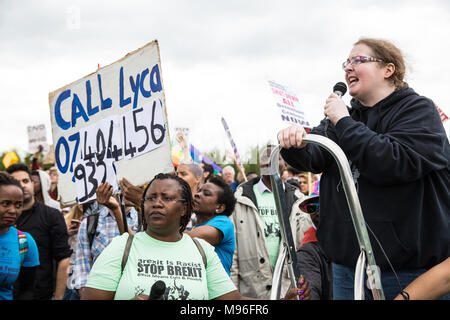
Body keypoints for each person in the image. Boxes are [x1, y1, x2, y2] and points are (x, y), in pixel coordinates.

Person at [277, 37, 450, 300]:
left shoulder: (418, 110)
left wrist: (343, 121)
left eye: (358, 60)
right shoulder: (343, 118)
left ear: (388, 69)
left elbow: (393, 161)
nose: (348, 68)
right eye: (346, 62)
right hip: (348, 268)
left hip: (409, 272)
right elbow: (315, 157)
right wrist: (296, 144)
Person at [80, 173, 309, 300]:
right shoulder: (122, 247)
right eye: (150, 198)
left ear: (184, 209)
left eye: (166, 198)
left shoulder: (202, 251)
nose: (156, 203)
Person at [230, 145, 312, 299]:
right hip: (251, 290)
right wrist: (233, 293)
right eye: (264, 158)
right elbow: (233, 249)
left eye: (276, 157)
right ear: (260, 165)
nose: (268, 160)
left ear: (285, 164)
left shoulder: (298, 200)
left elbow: (304, 247)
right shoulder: (240, 198)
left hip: (287, 287)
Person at [6, 163, 72, 300]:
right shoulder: (3, 218)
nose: (22, 185)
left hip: (41, 294)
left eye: (25, 181)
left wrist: (59, 297)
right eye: (16, 182)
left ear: (32, 183)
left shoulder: (51, 215)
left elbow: (63, 259)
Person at [72, 182, 139, 299]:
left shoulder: (146, 221)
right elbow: (82, 268)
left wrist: (117, 210)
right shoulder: (90, 223)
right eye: (123, 185)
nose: (128, 189)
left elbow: (134, 253)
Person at [0, 172, 39, 300]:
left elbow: (27, 291)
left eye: (18, 205)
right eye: (5, 203)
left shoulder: (25, 242)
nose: (13, 211)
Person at [186, 176, 236, 275]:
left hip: (216, 289)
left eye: (206, 194)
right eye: (199, 191)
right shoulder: (194, 227)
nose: (197, 195)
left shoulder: (224, 223)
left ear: (220, 207)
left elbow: (188, 237)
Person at [295, 194, 333, 300]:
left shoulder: (357, 242)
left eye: (325, 206)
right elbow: (310, 290)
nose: (318, 212)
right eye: (312, 208)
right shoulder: (307, 252)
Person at [62, 204, 83, 300]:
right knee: (67, 295)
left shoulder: (95, 219)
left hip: (83, 266)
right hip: (69, 265)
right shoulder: (66, 218)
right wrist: (67, 233)